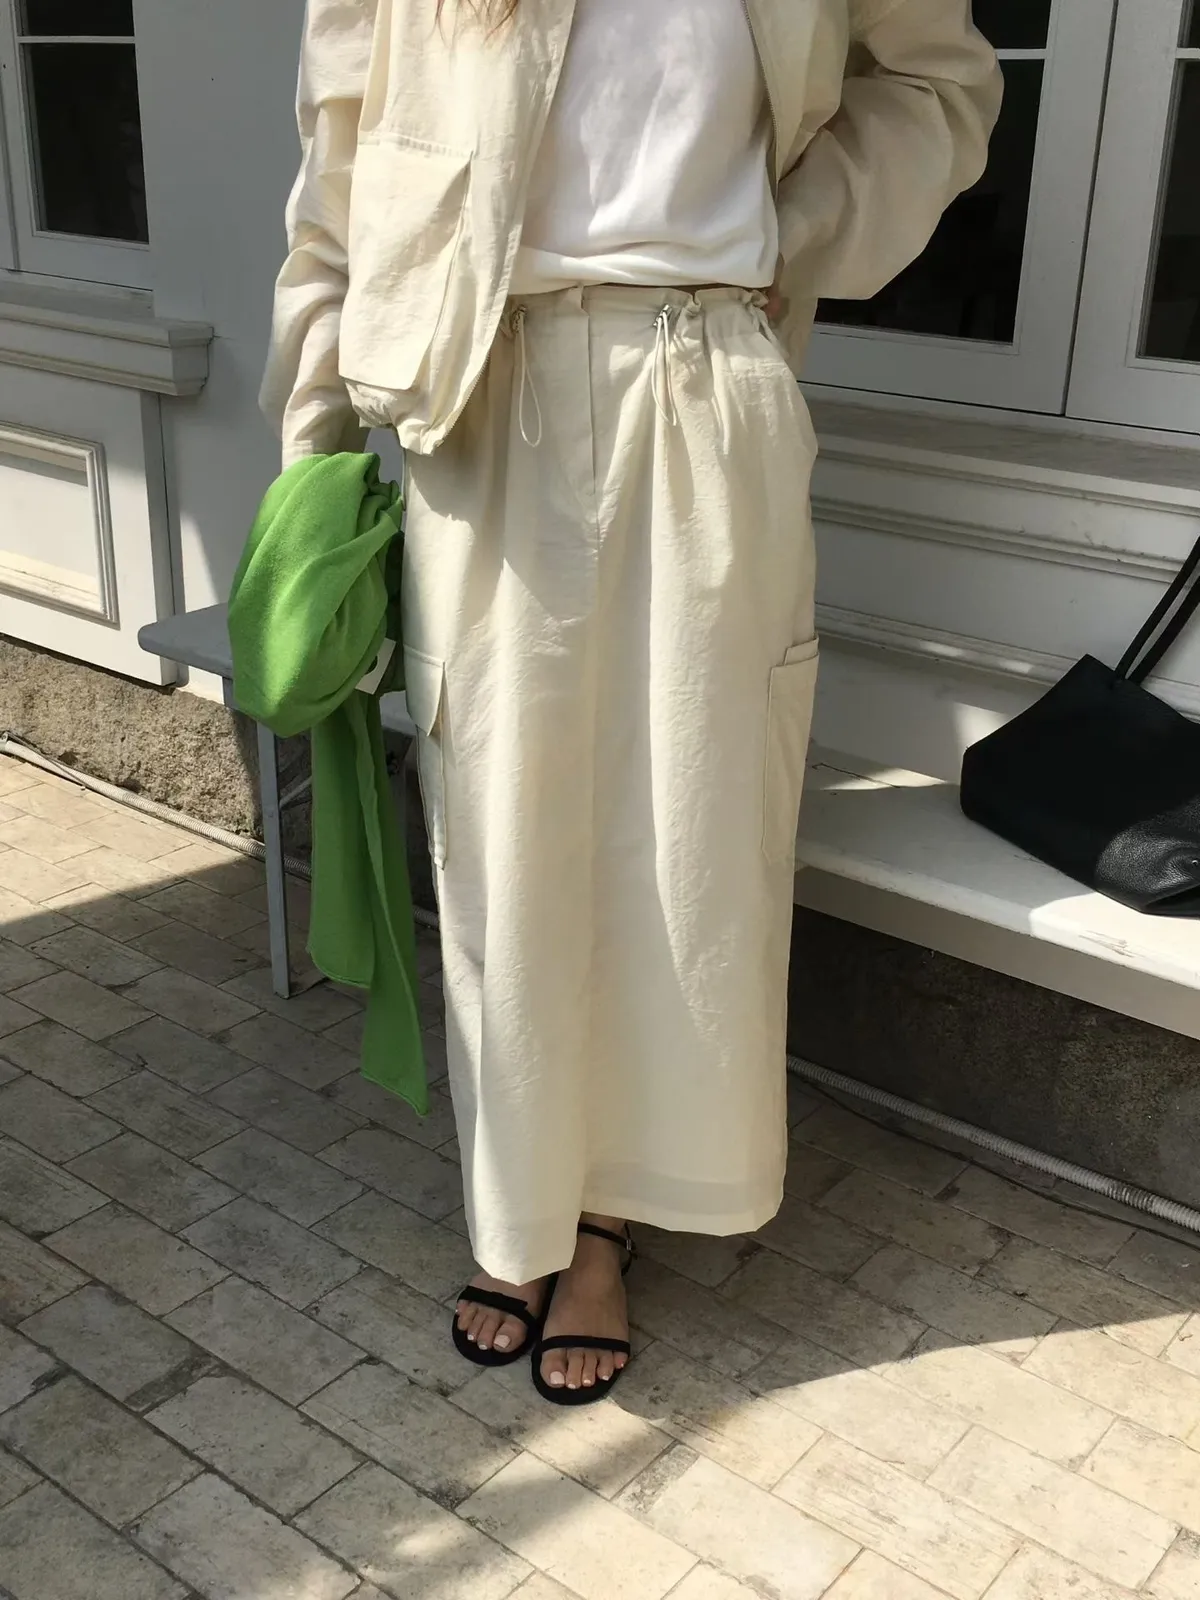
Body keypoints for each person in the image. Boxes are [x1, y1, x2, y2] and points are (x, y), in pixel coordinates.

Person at [262, 0, 1001, 1405]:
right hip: (482, 398)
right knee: (503, 842)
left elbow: (940, 83)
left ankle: (603, 1220)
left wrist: (796, 231)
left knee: (689, 835)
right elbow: (338, 165)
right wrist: (312, 447)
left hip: (705, 376)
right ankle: (520, 1214)